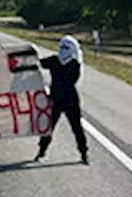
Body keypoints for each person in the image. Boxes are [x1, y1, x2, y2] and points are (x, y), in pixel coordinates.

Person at [32, 34, 89, 164]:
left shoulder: (60, 61)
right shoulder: (74, 64)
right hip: (67, 100)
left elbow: (40, 63)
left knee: (71, 128)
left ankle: (83, 153)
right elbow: (39, 63)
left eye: (65, 47)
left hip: (59, 100)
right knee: (54, 128)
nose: (63, 50)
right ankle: (83, 154)